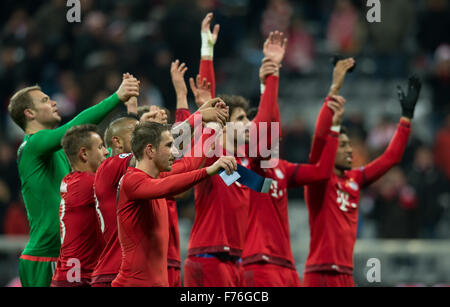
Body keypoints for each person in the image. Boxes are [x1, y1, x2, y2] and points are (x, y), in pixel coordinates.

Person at [91, 71, 229, 287]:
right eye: (136, 131)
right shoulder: (112, 168)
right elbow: (165, 165)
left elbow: (188, 163)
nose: (140, 133)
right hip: (113, 272)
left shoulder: (150, 177)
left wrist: (213, 127)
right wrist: (198, 117)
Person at [8, 75, 139, 287]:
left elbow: (108, 160)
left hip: (69, 255)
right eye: (44, 101)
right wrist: (116, 97)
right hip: (46, 256)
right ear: (29, 113)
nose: (53, 102)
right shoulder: (32, 146)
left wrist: (134, 121)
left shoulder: (61, 154)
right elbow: (74, 128)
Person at [183, 13, 284, 287]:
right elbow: (209, 97)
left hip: (237, 261)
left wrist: (271, 75)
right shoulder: (210, 153)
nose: (249, 124)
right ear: (224, 125)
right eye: (241, 119)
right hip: (207, 259)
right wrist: (207, 50)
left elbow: (268, 123)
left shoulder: (248, 164)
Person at [303, 58, 422, 286]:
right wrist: (334, 90)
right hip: (320, 273)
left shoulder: (354, 179)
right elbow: (319, 139)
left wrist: (406, 118)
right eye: (343, 146)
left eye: (350, 146)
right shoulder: (318, 179)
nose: (350, 151)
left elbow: (391, 158)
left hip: (347, 274)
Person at [242, 74, 344, 286]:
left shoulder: (282, 168)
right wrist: (271, 79)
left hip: (286, 264)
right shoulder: (251, 167)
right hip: (260, 262)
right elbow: (267, 127)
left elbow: (322, 172)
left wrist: (334, 129)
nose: (278, 133)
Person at [111, 122, 237, 287]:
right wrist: (209, 170)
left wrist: (211, 128)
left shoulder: (157, 177)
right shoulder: (131, 180)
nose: (175, 151)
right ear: (150, 150)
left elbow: (189, 163)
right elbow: (167, 186)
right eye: (169, 145)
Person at [51, 125, 109, 287]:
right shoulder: (87, 183)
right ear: (84, 153)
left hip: (73, 273)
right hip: (76, 277)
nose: (106, 152)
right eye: (100, 147)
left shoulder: (73, 180)